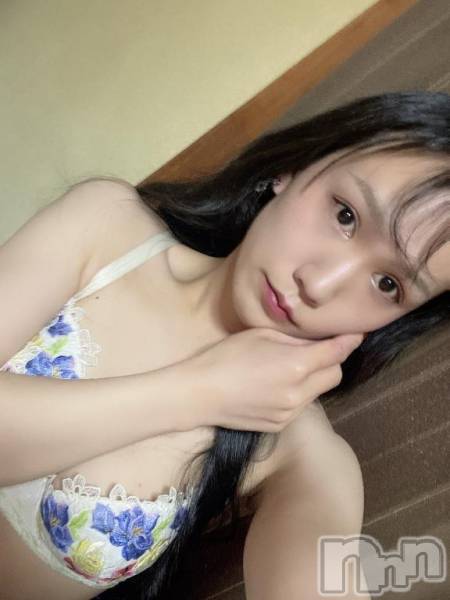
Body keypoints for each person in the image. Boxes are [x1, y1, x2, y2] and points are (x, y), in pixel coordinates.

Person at [0, 90, 448, 600]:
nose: (319, 284)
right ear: (293, 169)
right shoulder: (105, 227)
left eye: (388, 284)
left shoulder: (295, 450)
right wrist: (201, 392)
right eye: (345, 215)